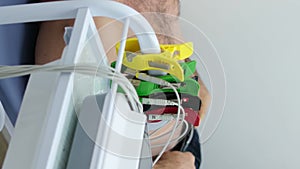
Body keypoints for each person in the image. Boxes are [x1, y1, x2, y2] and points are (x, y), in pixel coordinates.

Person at [36, 0, 211, 168]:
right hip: (125, 156)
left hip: (184, 143)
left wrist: (195, 79)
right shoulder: (90, 13)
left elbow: (166, 33)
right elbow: (80, 129)